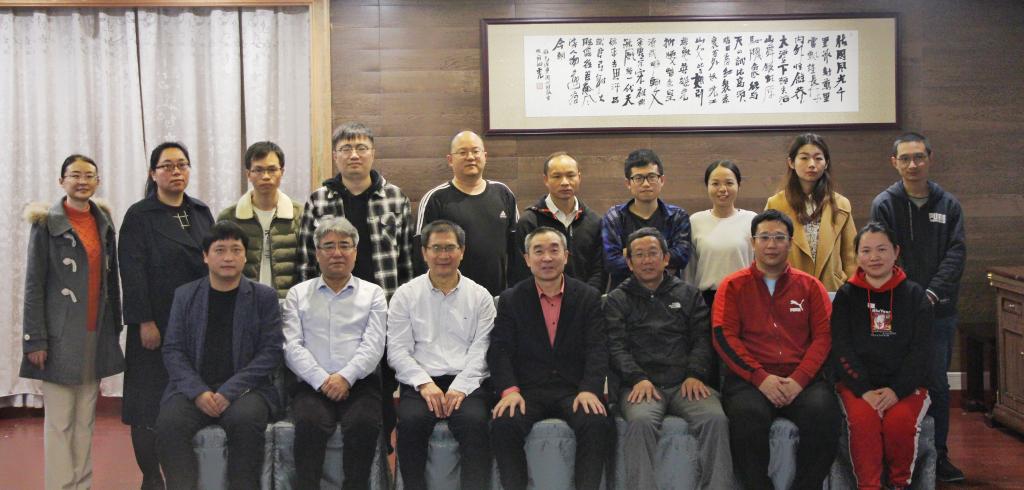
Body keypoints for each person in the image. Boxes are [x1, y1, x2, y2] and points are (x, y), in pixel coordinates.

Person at [297, 122, 413, 453]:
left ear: (372, 153)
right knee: (333, 383)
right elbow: (306, 261)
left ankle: (380, 454)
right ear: (335, 156)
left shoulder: (395, 198)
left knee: (381, 386)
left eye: (361, 147)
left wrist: (404, 312)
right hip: (331, 310)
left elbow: (407, 262)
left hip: (383, 308)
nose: (354, 155)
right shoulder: (319, 200)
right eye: (346, 148)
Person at [712, 209, 840, 490]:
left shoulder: (811, 286)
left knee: (825, 415)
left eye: (779, 238)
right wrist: (760, 378)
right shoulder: (732, 286)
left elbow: (824, 337)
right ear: (752, 242)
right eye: (764, 237)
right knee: (747, 420)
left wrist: (799, 380)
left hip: (803, 380)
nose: (771, 244)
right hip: (750, 381)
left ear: (790, 243)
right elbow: (724, 337)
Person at [21, 154, 126, 490]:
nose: (82, 181)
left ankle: (82, 484)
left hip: (95, 333)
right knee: (60, 422)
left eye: (89, 175)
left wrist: (115, 328)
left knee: (85, 421)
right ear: (62, 180)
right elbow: (34, 285)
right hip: (59, 337)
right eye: (75, 175)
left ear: (97, 181)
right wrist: (35, 339)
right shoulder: (45, 225)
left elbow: (112, 281)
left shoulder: (103, 223)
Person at [155, 221, 284, 490]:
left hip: (246, 390)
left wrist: (228, 392)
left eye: (236, 250)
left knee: (245, 422)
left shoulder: (263, 297)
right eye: (220, 250)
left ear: (245, 256)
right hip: (194, 389)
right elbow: (173, 350)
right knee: (169, 424)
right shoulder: (185, 295)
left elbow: (270, 352)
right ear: (205, 256)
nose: (228, 257)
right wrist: (198, 392)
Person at [870, 132, 966, 483]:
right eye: (905, 158)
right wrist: (910, 296)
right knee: (891, 379)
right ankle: (894, 458)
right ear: (894, 162)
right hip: (895, 308)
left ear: (930, 159)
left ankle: (938, 455)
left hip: (939, 312)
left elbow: (956, 254)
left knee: (937, 383)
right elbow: (881, 253)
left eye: (919, 157)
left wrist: (930, 295)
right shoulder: (885, 203)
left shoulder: (948, 204)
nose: (913, 164)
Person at [606, 227, 733, 489]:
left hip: (685, 382)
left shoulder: (689, 294)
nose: (647, 260)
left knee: (715, 419)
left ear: (665, 258)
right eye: (639, 255)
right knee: (640, 422)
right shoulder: (617, 300)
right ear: (629, 263)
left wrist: (695, 374)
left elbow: (702, 339)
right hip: (640, 385)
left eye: (653, 253)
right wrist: (637, 378)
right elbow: (616, 347)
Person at [489, 227, 614, 490]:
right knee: (504, 424)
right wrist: (509, 390)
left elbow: (597, 348)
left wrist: (590, 389)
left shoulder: (588, 297)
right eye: (538, 251)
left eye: (554, 250)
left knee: (596, 422)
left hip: (573, 389)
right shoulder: (511, 299)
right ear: (527, 259)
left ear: (566, 256)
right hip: (527, 390)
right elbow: (500, 350)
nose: (547, 258)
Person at [119, 142, 214, 489]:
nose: (176, 172)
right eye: (168, 166)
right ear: (153, 173)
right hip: (155, 323)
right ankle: (151, 478)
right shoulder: (139, 215)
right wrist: (144, 321)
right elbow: (132, 273)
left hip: (196, 322)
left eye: (182, 165)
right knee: (147, 405)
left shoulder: (200, 211)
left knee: (188, 400)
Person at [388, 220, 495, 490]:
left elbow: (483, 348)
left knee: (475, 424)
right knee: (410, 424)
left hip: (467, 383)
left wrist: (461, 387)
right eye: (436, 248)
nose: (443, 255)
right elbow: (398, 350)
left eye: (450, 248)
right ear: (424, 252)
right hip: (421, 382)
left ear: (462, 251)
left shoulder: (480, 296)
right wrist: (424, 384)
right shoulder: (405, 295)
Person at [283, 216, 387, 490]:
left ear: (355, 252)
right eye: (328, 246)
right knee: (309, 424)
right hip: (311, 385)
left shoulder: (374, 294)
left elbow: (374, 344)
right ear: (317, 253)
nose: (337, 253)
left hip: (360, 384)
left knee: (364, 425)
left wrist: (345, 378)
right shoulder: (297, 294)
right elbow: (292, 346)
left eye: (345, 245)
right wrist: (322, 380)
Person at [832, 222, 933, 490]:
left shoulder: (915, 295)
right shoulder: (846, 295)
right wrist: (864, 389)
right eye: (866, 251)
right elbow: (841, 348)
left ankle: (899, 484)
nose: (874, 257)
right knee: (863, 423)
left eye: (881, 249)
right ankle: (870, 486)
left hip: (905, 386)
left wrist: (896, 390)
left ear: (896, 252)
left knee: (899, 423)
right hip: (858, 387)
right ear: (857, 255)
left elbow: (921, 351)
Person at [416, 130, 519, 296]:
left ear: (485, 156)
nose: (470, 157)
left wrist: (513, 292)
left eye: (475, 151)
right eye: (462, 152)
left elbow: (517, 249)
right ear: (450, 160)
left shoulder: (503, 194)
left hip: (497, 295)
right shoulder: (435, 199)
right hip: (448, 296)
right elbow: (421, 254)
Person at [765, 133, 857, 291]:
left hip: (831, 291)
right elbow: (767, 253)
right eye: (804, 158)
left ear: (826, 163)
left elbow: (851, 257)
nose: (812, 164)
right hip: (789, 291)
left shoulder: (841, 205)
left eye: (818, 158)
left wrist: (852, 290)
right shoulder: (775, 204)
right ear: (791, 162)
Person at [217, 141, 302, 298]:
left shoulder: (299, 215)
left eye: (272, 170)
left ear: (282, 171)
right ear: (248, 174)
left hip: (288, 302)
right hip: (243, 300)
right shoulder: (229, 217)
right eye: (258, 170)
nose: (266, 176)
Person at [511, 151, 605, 289]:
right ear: (546, 180)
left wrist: (585, 297)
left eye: (570, 175)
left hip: (585, 299)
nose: (565, 182)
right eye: (557, 176)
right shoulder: (529, 222)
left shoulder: (594, 221)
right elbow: (521, 271)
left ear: (579, 177)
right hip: (539, 299)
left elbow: (599, 271)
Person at [601, 149, 691, 291]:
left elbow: (682, 257)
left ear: (662, 180)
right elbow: (611, 263)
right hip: (624, 296)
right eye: (638, 178)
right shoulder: (614, 217)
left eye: (651, 177)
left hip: (668, 294)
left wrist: (631, 254)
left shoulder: (677, 216)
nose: (646, 184)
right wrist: (662, 255)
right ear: (628, 183)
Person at [685, 160, 757, 308]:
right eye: (715, 183)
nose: (723, 189)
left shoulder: (752, 220)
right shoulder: (695, 221)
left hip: (744, 297)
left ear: (739, 185)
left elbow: (759, 264)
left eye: (729, 183)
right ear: (707, 186)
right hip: (706, 301)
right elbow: (689, 270)